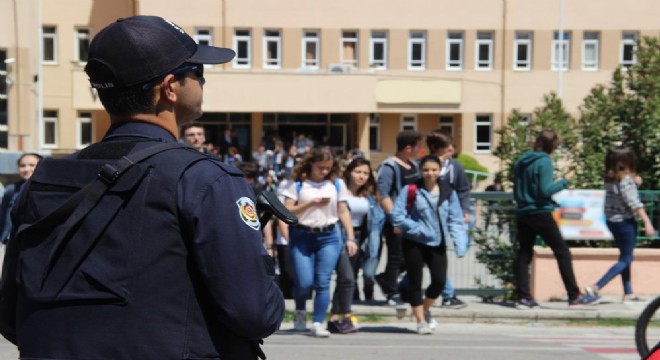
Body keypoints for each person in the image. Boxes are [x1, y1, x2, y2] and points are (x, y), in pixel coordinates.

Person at [0, 16, 283, 359]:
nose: (203, 81)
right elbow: (254, 313)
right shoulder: (204, 179)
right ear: (170, 87)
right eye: (197, 71)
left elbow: (12, 315)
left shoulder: (43, 179)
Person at [513, 129, 600, 309]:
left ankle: (523, 297)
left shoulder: (522, 161)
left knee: (524, 253)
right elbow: (544, 190)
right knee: (562, 252)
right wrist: (565, 181)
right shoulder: (544, 162)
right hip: (540, 211)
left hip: (523, 211)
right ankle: (574, 295)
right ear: (552, 146)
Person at [282, 147, 356, 338]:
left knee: (323, 282)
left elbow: (343, 211)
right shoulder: (298, 184)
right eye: (320, 167)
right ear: (311, 164)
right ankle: (300, 312)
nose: (324, 171)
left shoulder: (337, 184)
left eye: (328, 167)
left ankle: (317, 322)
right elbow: (287, 211)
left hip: (329, 236)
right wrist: (311, 203)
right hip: (302, 236)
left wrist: (350, 237)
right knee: (304, 282)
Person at [390, 155, 468, 334]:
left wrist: (460, 244)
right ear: (420, 171)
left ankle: (424, 309)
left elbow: (455, 219)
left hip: (438, 242)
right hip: (414, 242)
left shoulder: (448, 192)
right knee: (415, 281)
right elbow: (397, 216)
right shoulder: (410, 190)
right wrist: (417, 228)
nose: (430, 173)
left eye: (434, 169)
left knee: (439, 281)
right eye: (426, 170)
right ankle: (420, 321)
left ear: (440, 170)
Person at [585, 148, 655, 302]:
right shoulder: (626, 181)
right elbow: (634, 203)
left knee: (624, 256)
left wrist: (635, 181)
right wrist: (647, 222)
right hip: (625, 222)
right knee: (627, 258)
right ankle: (596, 286)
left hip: (611, 221)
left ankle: (628, 292)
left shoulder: (609, 178)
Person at [328, 157, 384, 334]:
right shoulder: (339, 190)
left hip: (361, 237)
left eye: (366, 173)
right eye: (358, 172)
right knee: (347, 279)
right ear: (349, 172)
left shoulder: (370, 194)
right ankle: (345, 315)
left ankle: (335, 317)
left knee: (347, 279)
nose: (362, 176)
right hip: (341, 236)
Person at [375, 130, 423, 310]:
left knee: (416, 255)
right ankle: (391, 292)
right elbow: (383, 193)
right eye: (418, 146)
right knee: (396, 256)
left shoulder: (413, 165)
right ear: (408, 147)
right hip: (397, 219)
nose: (420, 149)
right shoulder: (389, 166)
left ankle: (386, 279)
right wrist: (396, 219)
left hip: (413, 219)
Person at [425, 129, 470, 309]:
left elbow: (463, 189)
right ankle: (448, 295)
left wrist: (466, 209)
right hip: (427, 217)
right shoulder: (425, 165)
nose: (451, 148)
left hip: (448, 216)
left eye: (451, 144)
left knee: (435, 255)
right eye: (446, 146)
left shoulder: (455, 166)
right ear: (435, 148)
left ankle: (402, 285)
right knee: (434, 255)